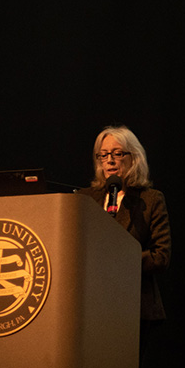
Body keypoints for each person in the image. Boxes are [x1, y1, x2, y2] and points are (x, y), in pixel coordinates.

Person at [78, 125, 171, 353]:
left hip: (134, 305)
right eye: (103, 155)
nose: (109, 160)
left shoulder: (150, 200)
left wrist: (120, 261)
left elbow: (161, 256)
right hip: (90, 305)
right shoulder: (84, 199)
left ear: (134, 158)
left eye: (117, 154)